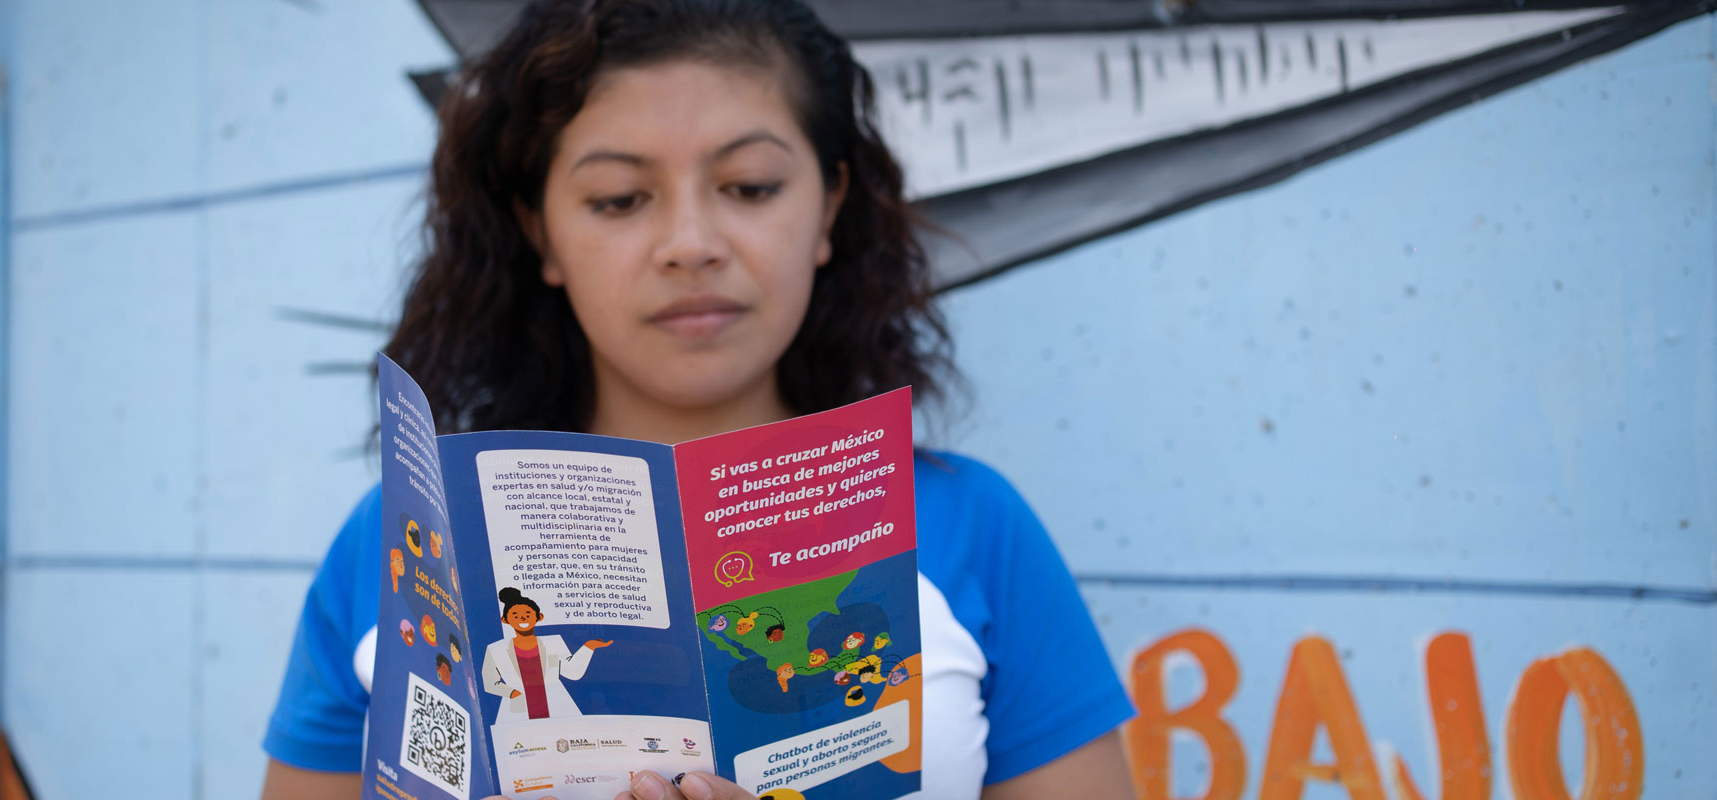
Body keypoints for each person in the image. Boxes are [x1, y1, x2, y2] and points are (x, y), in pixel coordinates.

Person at [259, 1, 1135, 798]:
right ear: (542, 232)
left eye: (750, 187)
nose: (689, 243)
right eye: (619, 198)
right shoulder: (405, 545)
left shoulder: (974, 527)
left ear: (829, 208)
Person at [480, 587, 614, 722]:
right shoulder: (496, 649)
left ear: (539, 617)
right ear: (505, 619)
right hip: (517, 711)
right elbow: (490, 683)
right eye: (515, 615)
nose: (522, 617)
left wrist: (588, 647)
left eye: (528, 613)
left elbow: (573, 672)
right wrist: (512, 693)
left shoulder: (553, 642)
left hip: (558, 708)